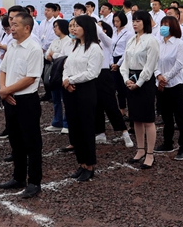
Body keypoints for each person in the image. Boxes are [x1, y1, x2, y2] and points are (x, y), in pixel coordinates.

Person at [0, 12, 44, 199]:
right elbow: (3, 70)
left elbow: (30, 78)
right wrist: (4, 90)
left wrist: (6, 91)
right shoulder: (12, 46)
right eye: (11, 25)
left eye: (16, 25)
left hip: (26, 100)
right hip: (10, 99)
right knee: (15, 141)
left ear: (27, 28)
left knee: (31, 143)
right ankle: (18, 177)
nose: (12, 28)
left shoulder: (34, 49)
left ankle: (34, 181)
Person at [63, 15, 104, 181]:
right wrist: (66, 81)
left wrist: (71, 80)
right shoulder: (75, 46)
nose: (73, 29)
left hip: (85, 90)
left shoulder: (94, 48)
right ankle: (81, 163)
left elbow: (92, 73)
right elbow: (66, 66)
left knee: (86, 128)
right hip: (70, 90)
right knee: (75, 128)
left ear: (86, 28)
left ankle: (90, 165)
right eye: (72, 26)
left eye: (77, 26)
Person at [121, 10, 160, 169]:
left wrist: (139, 83)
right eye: (133, 21)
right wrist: (126, 79)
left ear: (145, 22)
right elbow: (125, 63)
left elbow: (150, 66)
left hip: (145, 82)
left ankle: (150, 154)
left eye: (138, 21)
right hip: (131, 79)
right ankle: (140, 149)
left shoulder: (151, 40)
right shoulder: (131, 40)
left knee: (148, 119)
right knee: (136, 118)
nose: (135, 23)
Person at [154, 16, 183, 160]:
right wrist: (158, 76)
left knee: (180, 116)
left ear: (173, 27)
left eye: (166, 25)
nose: (163, 27)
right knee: (166, 116)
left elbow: (179, 64)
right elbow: (154, 62)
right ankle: (167, 142)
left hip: (175, 84)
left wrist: (165, 78)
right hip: (161, 84)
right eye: (162, 24)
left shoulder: (179, 44)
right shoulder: (159, 43)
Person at [94, 21, 132, 147]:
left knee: (110, 105)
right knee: (96, 105)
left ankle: (124, 132)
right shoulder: (88, 43)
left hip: (104, 75)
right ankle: (100, 132)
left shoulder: (106, 42)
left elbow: (103, 36)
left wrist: (93, 24)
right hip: (93, 75)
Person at [45, 19, 72, 134]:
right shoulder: (55, 41)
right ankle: (57, 122)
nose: (54, 29)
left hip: (63, 71)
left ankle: (66, 123)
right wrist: (53, 55)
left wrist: (54, 55)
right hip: (54, 71)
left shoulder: (68, 41)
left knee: (65, 99)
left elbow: (65, 56)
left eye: (56, 26)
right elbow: (47, 54)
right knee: (55, 99)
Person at [110, 12, 132, 117]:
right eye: (114, 21)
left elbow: (127, 50)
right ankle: (122, 108)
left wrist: (118, 63)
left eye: (118, 21)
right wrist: (112, 63)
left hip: (123, 59)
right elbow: (110, 47)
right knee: (117, 86)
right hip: (113, 59)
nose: (116, 23)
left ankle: (130, 109)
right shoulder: (114, 32)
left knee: (125, 86)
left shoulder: (128, 33)